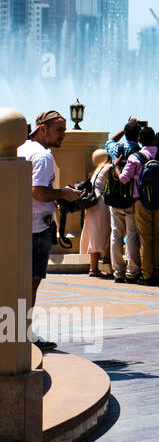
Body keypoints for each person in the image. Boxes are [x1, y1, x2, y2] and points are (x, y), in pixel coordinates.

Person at [20, 111, 82, 346]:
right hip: (37, 229)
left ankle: (15, 332)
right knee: (31, 283)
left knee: (18, 282)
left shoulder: (21, 148)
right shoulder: (42, 156)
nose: (63, 136)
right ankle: (24, 335)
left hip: (21, 224)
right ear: (43, 129)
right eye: (60, 131)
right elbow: (37, 191)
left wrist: (52, 196)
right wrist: (63, 194)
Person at [116, 125, 159, 286]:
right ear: (154, 139)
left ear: (139, 140)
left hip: (141, 202)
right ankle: (155, 270)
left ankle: (148, 275)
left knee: (145, 239)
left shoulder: (135, 157)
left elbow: (124, 179)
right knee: (158, 237)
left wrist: (116, 166)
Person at [104, 118, 143, 282]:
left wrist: (124, 128)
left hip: (114, 199)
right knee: (132, 235)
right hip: (131, 200)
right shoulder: (139, 152)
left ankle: (118, 271)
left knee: (116, 235)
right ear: (139, 136)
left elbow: (110, 141)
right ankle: (131, 271)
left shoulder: (115, 148)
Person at [82, 149, 112, 278]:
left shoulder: (96, 170)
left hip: (92, 203)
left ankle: (100, 262)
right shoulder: (109, 167)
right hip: (100, 203)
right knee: (100, 234)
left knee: (94, 233)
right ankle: (94, 268)